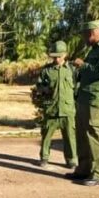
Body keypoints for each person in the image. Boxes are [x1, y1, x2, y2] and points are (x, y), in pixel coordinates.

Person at [67, 20, 99, 186]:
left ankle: (98, 174)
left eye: (85, 34)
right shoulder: (95, 50)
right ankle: (83, 170)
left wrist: (83, 65)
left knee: (96, 136)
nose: (84, 38)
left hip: (97, 100)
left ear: (93, 32)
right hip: (84, 98)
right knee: (82, 135)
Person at [34, 40, 77, 168]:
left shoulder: (72, 70)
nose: (57, 59)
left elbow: (77, 88)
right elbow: (39, 85)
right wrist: (44, 89)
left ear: (65, 55)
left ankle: (71, 160)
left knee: (70, 137)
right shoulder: (46, 70)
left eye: (59, 56)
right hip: (51, 109)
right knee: (46, 135)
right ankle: (44, 157)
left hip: (67, 109)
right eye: (54, 56)